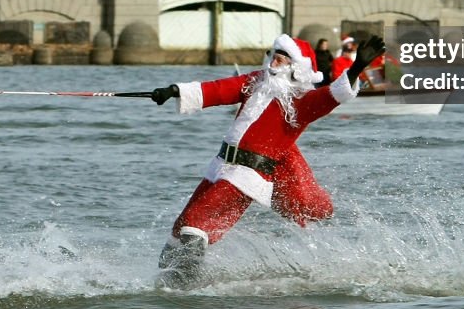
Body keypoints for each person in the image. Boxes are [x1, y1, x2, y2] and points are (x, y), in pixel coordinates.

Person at [150, 32, 387, 285]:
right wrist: (173, 90)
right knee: (179, 230)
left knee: (195, 227)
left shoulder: (301, 103)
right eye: (275, 55)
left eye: (284, 58)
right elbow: (217, 89)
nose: (276, 60)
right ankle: (164, 287)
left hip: (246, 176)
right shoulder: (254, 83)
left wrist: (357, 67)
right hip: (220, 167)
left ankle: (186, 295)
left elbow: (331, 96)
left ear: (297, 68)